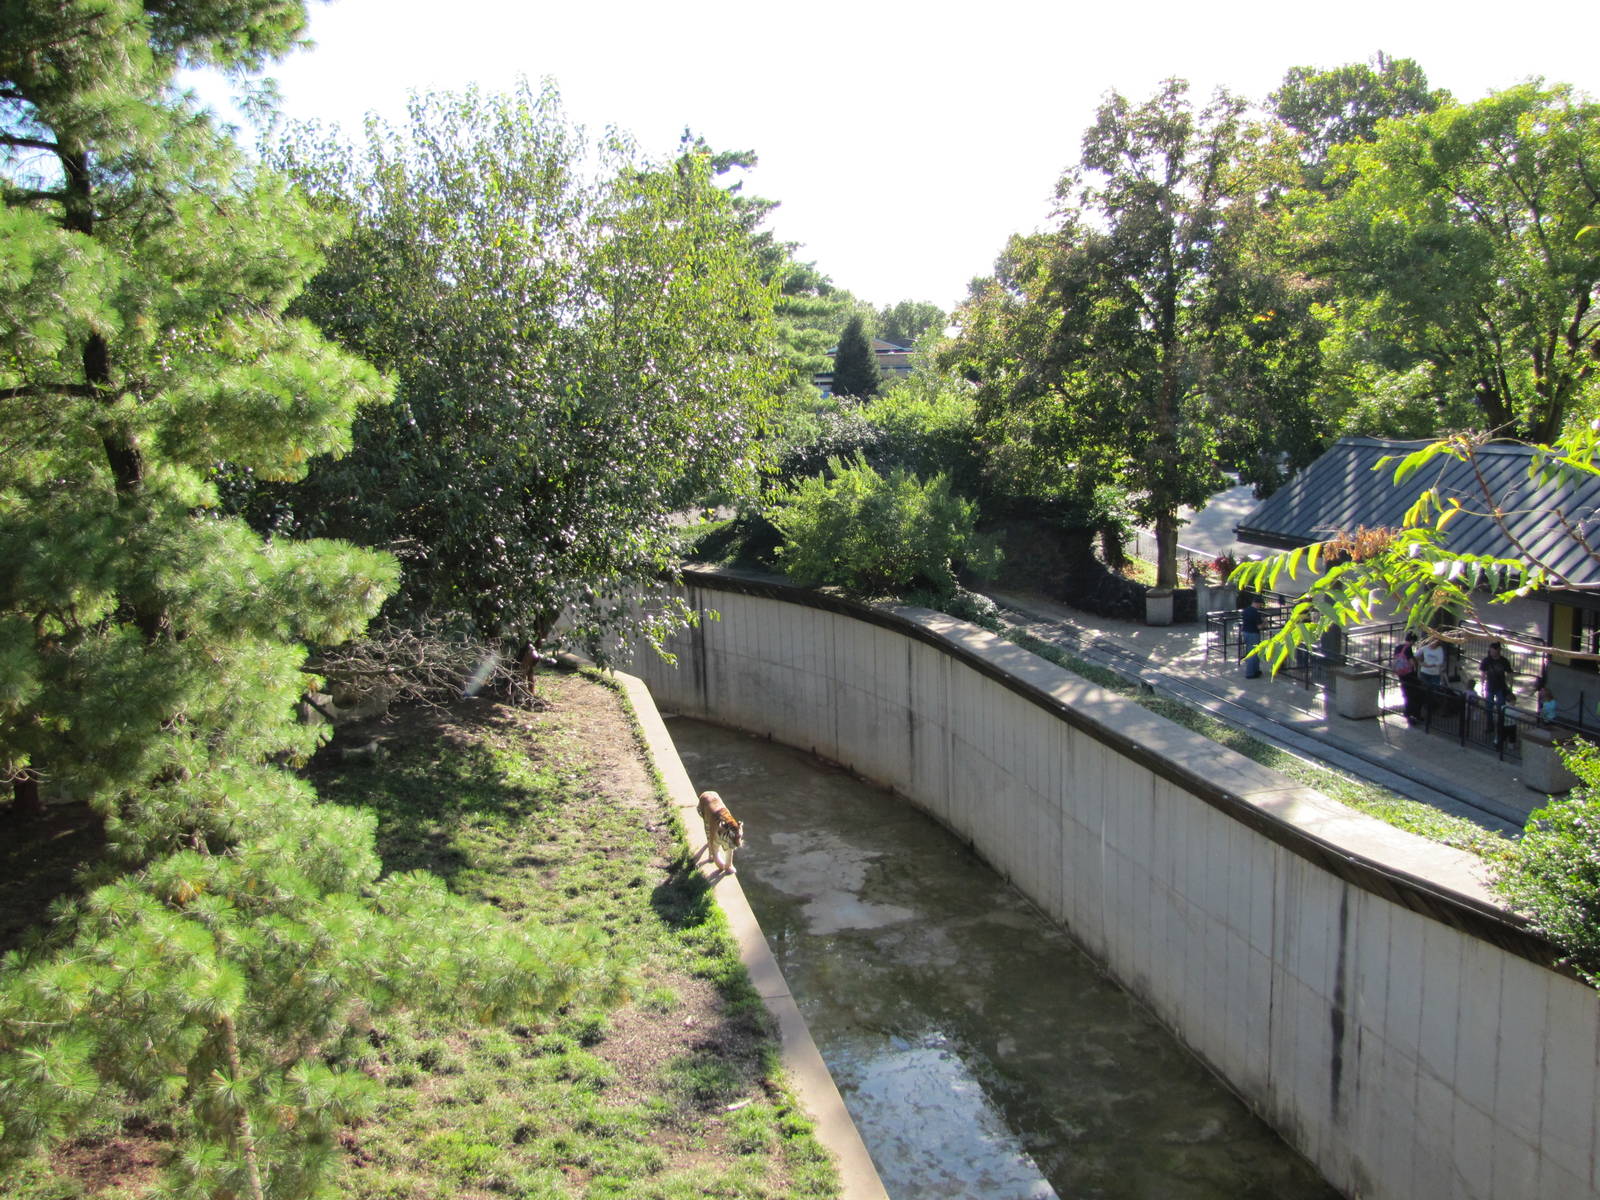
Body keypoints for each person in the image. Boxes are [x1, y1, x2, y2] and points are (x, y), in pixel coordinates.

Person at [1392, 632, 1422, 724]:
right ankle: (1413, 715)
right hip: (1409, 675)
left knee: (1405, 693)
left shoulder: (1398, 647)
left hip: (1401, 675)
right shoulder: (1408, 649)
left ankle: (1407, 712)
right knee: (1414, 695)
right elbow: (1412, 663)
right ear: (1412, 641)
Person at [1479, 642, 1514, 709]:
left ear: (1498, 650)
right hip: (1490, 686)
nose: (1491, 652)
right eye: (1490, 650)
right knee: (1489, 707)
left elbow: (1510, 674)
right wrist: (1482, 687)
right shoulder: (1486, 660)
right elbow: (1483, 674)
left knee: (1501, 707)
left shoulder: (1504, 661)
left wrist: (1510, 687)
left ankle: (1500, 719)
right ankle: (1490, 719)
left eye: (1493, 651)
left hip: (1501, 687)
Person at [1240, 595, 1262, 679]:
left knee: (1251, 652)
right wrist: (1265, 623)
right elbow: (1259, 626)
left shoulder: (1246, 610)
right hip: (1253, 634)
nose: (1260, 606)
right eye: (1260, 604)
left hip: (1246, 633)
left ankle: (1256, 670)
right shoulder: (1255, 613)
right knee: (1253, 654)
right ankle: (1250, 673)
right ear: (1257, 603)